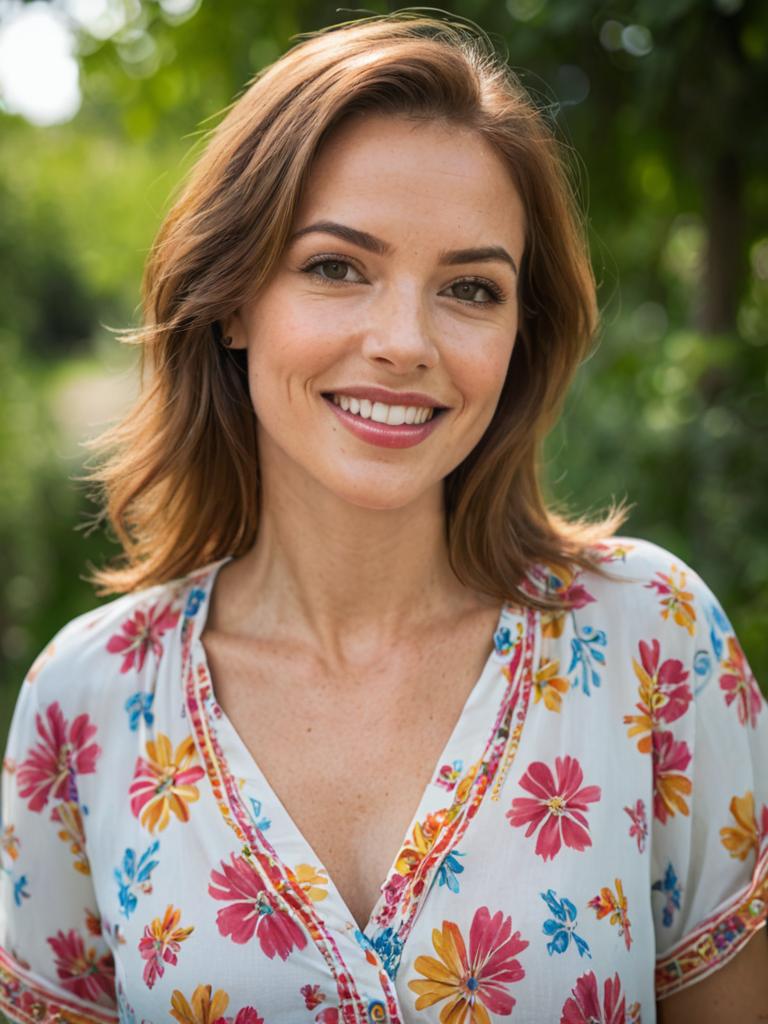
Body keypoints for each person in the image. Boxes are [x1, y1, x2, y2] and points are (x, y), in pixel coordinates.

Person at [1, 12, 766, 1024]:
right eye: (336, 267)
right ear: (232, 300)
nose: (405, 341)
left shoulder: (652, 640)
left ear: (519, 337)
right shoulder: (84, 708)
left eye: (469, 287)